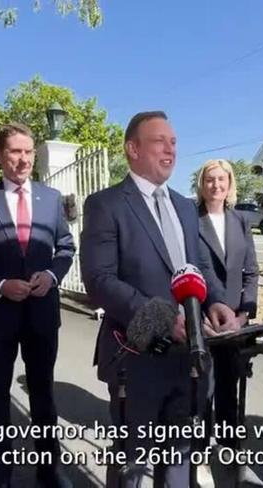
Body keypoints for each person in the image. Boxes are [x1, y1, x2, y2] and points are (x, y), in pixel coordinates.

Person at [80, 111, 237, 487]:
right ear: (132, 149)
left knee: (179, 457)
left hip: (188, 358)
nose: (170, 149)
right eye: (159, 141)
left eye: (174, 142)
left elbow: (195, 264)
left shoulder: (184, 205)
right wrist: (163, 318)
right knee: (132, 462)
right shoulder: (106, 204)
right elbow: (99, 279)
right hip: (135, 359)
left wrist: (215, 299)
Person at [0, 123, 75, 488]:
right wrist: (1, 285)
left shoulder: (50, 199)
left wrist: (52, 276)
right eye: (15, 152)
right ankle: (1, 475)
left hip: (41, 316)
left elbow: (66, 248)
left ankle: (48, 470)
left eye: (28, 151)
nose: (23, 159)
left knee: (42, 397)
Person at [194, 159, 260, 480]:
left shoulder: (240, 221)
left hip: (235, 324)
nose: (216, 185)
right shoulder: (191, 221)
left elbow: (251, 272)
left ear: (230, 183)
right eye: (210, 179)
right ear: (201, 184)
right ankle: (202, 456)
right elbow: (189, 274)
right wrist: (202, 313)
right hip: (204, 322)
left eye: (221, 179)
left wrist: (244, 314)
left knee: (228, 391)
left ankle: (233, 453)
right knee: (203, 392)